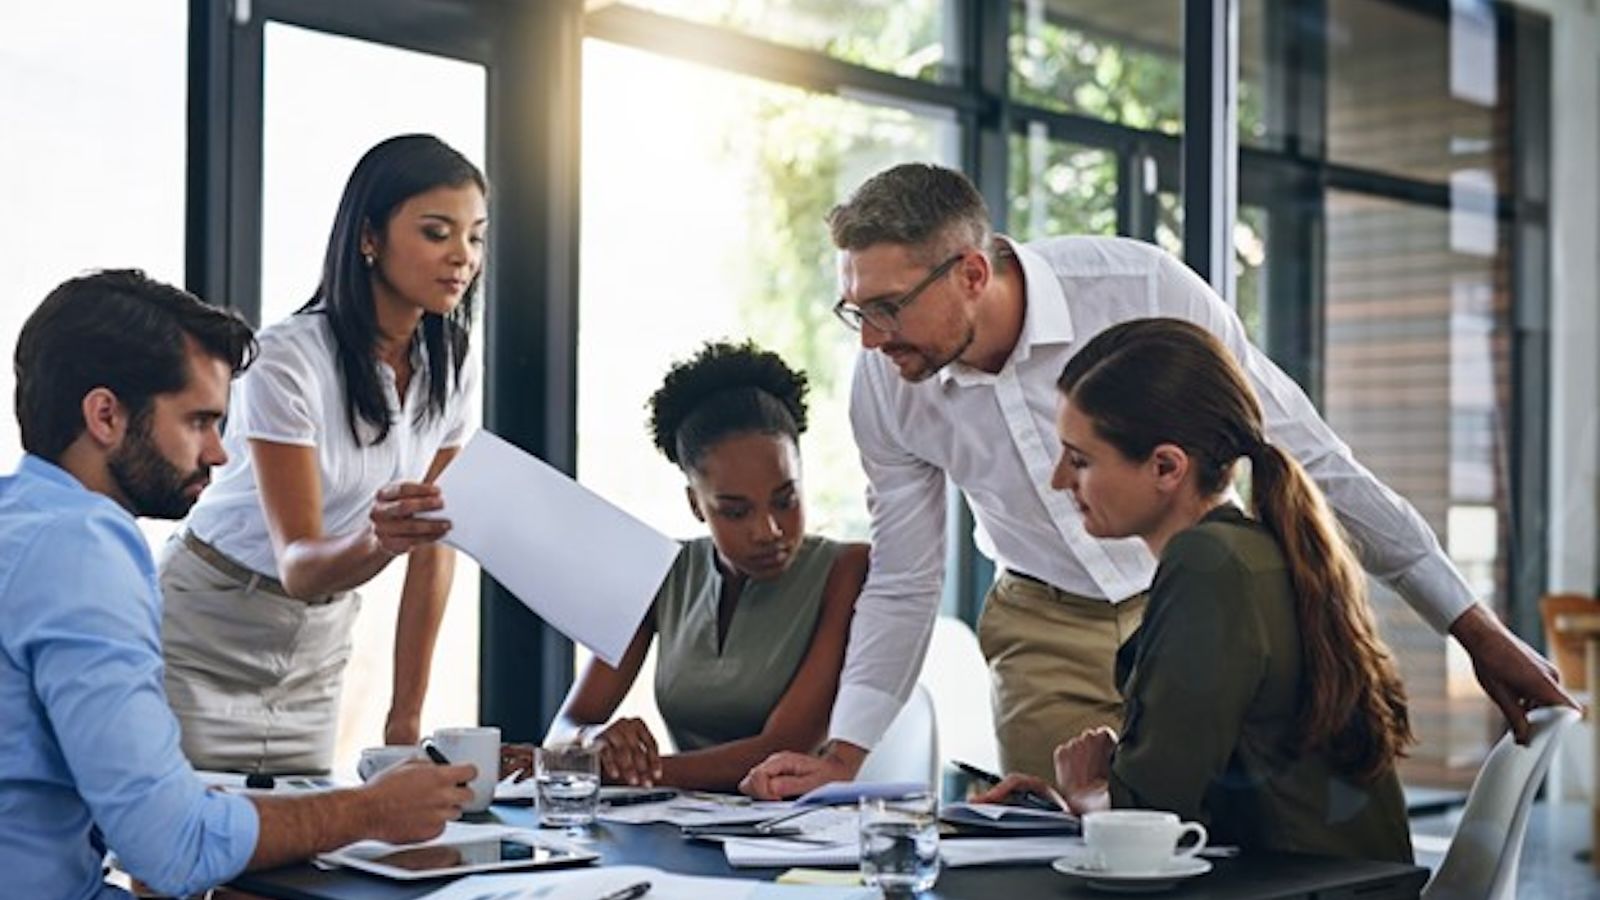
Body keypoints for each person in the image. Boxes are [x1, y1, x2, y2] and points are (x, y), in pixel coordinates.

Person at [742, 162, 1572, 798]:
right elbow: (906, 575)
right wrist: (843, 755)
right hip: (1043, 628)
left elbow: (1309, 457)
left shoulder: (1140, 291)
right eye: (856, 310)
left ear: (970, 273)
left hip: (1190, 611)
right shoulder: (888, 383)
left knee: (1208, 852)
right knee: (1063, 862)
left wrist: (1473, 630)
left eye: (887, 308)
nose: (871, 340)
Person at [0, 270, 477, 900]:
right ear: (106, 416)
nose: (220, 454)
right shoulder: (87, 551)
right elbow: (172, 846)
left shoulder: (21, 521)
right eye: (198, 421)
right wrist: (371, 809)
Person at [973, 318, 1412, 862]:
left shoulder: (1208, 566)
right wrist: (1086, 793)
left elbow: (1155, 822)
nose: (1060, 480)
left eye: (1080, 460)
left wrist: (1088, 794)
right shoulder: (1253, 550)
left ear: (1166, 467)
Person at [160, 134, 486, 773]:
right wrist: (381, 540)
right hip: (206, 627)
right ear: (369, 237)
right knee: (174, 860)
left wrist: (405, 718)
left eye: (475, 236)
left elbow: (434, 544)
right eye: (436, 232)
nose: (462, 257)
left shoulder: (453, 362)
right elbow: (300, 563)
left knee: (296, 857)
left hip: (317, 645)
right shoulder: (286, 358)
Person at [511, 341, 869, 792]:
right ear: (696, 505)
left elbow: (783, 749)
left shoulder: (847, 570)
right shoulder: (660, 572)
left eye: (786, 500)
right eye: (735, 511)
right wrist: (595, 740)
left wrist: (618, 770)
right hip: (687, 828)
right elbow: (567, 726)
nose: (769, 530)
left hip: (811, 835)